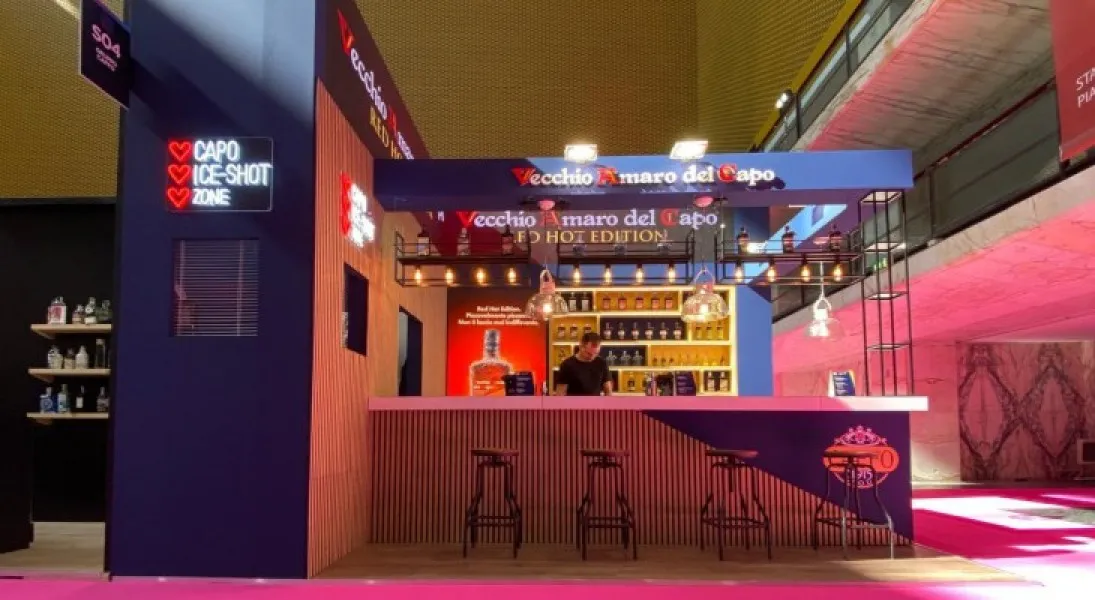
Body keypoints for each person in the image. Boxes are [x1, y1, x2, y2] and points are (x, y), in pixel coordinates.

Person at [554, 332, 612, 396]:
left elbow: (608, 391)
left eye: (596, 353)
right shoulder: (567, 365)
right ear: (581, 346)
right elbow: (560, 393)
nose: (592, 357)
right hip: (573, 402)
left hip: (596, 402)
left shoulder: (602, 363)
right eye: (589, 353)